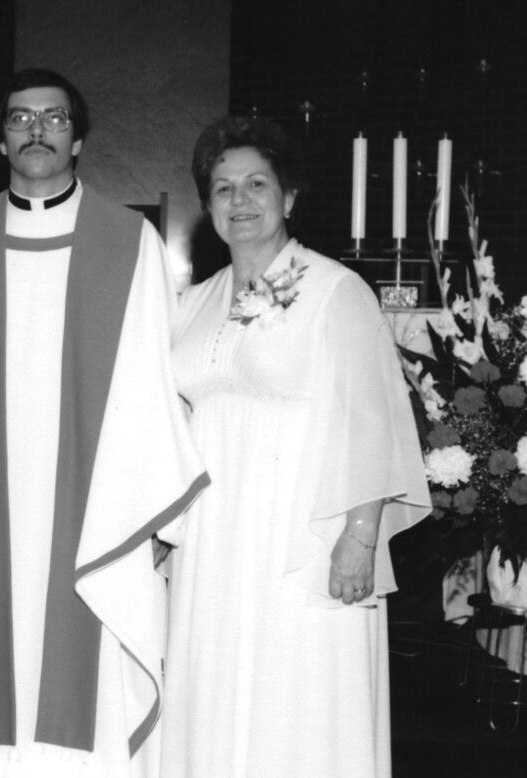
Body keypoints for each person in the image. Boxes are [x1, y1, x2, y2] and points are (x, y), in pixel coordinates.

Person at [0, 68, 208, 777]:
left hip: (93, 517)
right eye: (20, 118)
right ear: (0, 140)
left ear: (78, 138)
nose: (36, 131)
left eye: (53, 119)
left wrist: (144, 515)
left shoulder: (129, 243)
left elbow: (153, 385)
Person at [160, 116, 431, 777]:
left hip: (300, 539)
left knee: (298, 702)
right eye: (223, 188)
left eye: (257, 183)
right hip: (216, 546)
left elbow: (371, 419)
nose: (240, 200)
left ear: (290, 196)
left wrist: (359, 535)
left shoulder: (336, 291)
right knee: (216, 698)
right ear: (207, 205)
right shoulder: (193, 301)